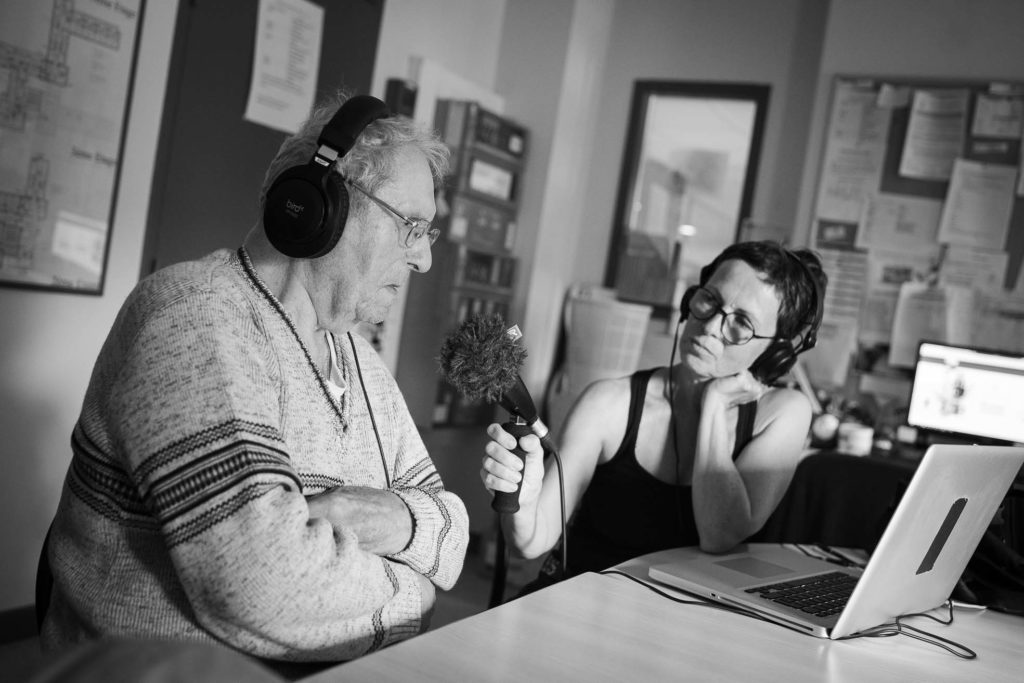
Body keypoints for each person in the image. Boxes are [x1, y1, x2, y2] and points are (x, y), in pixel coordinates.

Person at [40, 91, 469, 666]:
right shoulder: (193, 315)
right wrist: (413, 596)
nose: (424, 260)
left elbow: (454, 530)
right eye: (411, 226)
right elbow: (261, 582)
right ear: (323, 204)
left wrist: (385, 516)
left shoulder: (360, 362)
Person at [480, 240, 827, 590]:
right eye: (709, 300)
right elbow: (530, 542)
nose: (710, 328)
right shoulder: (608, 403)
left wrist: (714, 406)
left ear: (774, 353)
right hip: (581, 605)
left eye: (742, 323)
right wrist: (522, 501)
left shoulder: (783, 413)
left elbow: (719, 534)